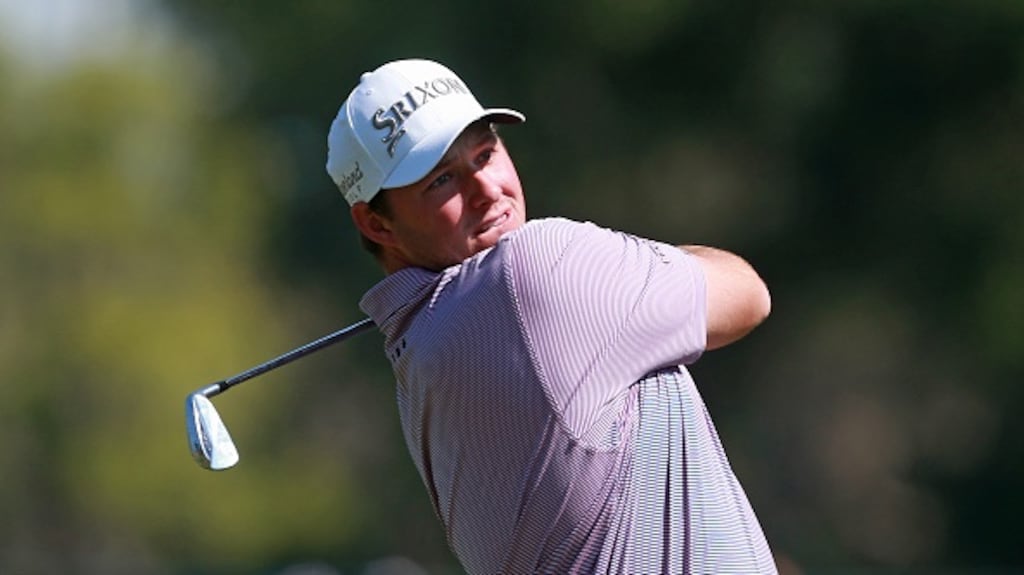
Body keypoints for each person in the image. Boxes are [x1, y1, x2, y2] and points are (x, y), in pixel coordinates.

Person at [326, 58, 777, 575]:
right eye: (441, 180)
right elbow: (747, 293)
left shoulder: (417, 357)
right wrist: (628, 262)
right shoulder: (532, 270)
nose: (486, 189)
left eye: (486, 153)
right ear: (375, 222)